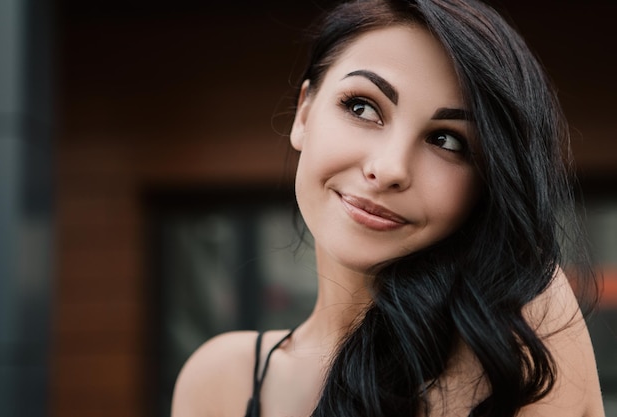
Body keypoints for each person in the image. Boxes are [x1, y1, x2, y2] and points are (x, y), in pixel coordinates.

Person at [171, 0, 605, 416]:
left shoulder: (512, 325)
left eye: (447, 140)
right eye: (362, 108)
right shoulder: (220, 380)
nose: (390, 168)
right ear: (303, 113)